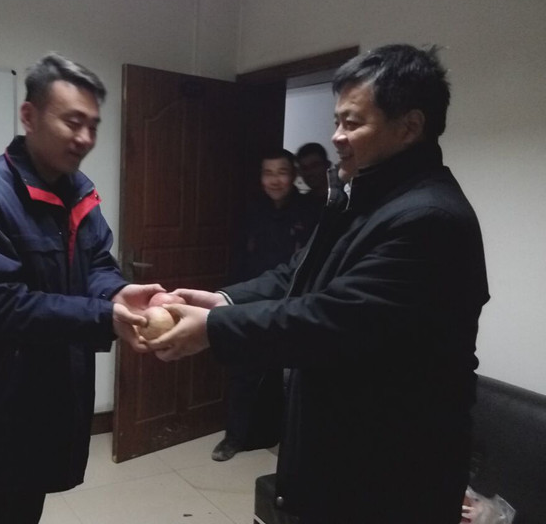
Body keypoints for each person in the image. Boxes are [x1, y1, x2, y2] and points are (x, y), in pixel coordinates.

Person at [147, 44, 489, 524]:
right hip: (341, 452)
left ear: (409, 126)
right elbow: (298, 274)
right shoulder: (365, 198)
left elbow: (333, 319)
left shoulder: (430, 218)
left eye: (353, 123)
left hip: (389, 472)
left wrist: (213, 327)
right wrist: (224, 299)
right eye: (337, 120)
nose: (336, 136)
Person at [0, 53, 163, 523]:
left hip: (46, 405)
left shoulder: (78, 192)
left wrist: (117, 293)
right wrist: (103, 316)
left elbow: (96, 263)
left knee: (25, 510)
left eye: (93, 126)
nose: (85, 139)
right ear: (29, 116)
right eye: (73, 122)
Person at [213, 149, 316, 461]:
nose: (275, 180)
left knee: (290, 377)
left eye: (281, 172)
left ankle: (286, 440)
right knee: (243, 372)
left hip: (292, 305)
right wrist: (229, 299)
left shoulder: (311, 211)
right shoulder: (252, 210)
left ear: (293, 175)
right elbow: (239, 258)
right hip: (250, 301)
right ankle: (235, 437)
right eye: (268, 173)